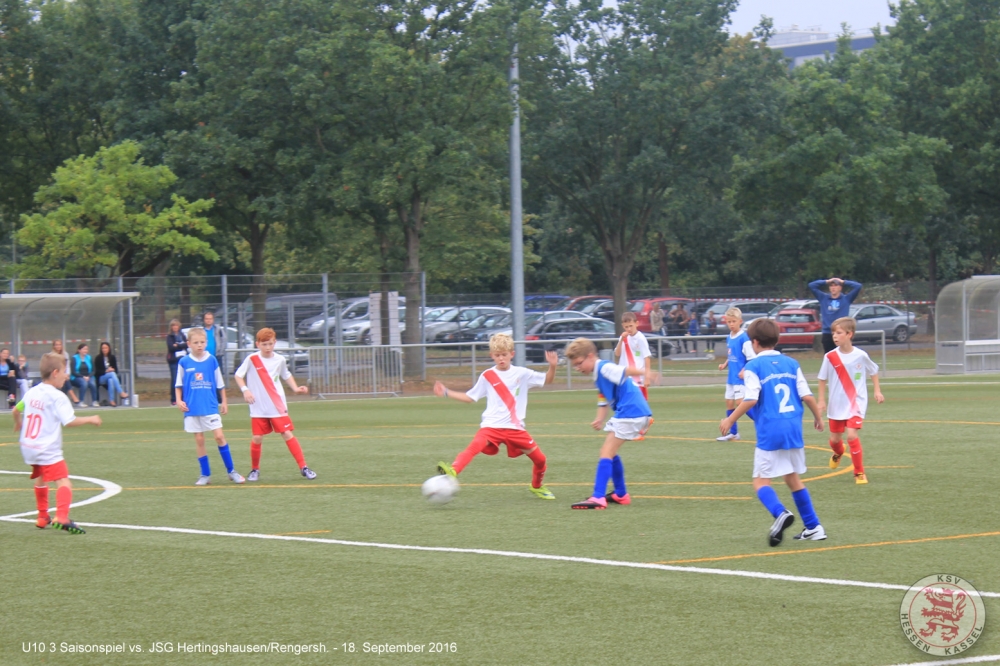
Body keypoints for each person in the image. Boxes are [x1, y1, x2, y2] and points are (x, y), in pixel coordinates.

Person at [720, 318, 827, 546]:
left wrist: (730, 419)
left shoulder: (754, 366)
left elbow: (751, 399)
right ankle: (814, 526)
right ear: (776, 340)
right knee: (792, 477)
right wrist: (818, 417)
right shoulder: (791, 363)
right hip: (793, 428)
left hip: (771, 429)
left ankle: (780, 513)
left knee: (760, 481)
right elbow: (807, 395)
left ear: (754, 342)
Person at [433, 334, 559, 499]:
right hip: (491, 426)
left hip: (515, 428)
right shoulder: (487, 376)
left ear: (512, 354)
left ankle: (537, 486)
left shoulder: (522, 373)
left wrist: (552, 366)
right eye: (497, 355)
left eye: (504, 355)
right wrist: (446, 392)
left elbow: (547, 380)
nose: (501, 358)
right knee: (474, 447)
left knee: (540, 460)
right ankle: (453, 470)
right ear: (491, 355)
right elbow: (470, 397)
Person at [13, 352, 102, 534]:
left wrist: (18, 423)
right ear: (55, 373)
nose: (66, 376)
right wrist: (90, 419)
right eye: (64, 372)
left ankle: (42, 516)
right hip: (46, 448)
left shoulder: (32, 391)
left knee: (41, 476)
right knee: (64, 482)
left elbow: (16, 409)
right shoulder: (58, 396)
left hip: (28, 446)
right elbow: (69, 421)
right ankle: (62, 516)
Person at [566, 337, 655, 509]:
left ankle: (598, 497)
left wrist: (645, 373)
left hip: (631, 412)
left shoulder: (604, 367)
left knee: (606, 452)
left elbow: (624, 370)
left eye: (579, 363)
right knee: (611, 452)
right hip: (631, 412)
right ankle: (620, 494)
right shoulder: (597, 374)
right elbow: (603, 400)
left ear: (590, 356)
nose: (577, 368)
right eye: (574, 365)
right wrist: (599, 418)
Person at [234, 327, 315, 481]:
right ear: (257, 344)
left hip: (277, 406)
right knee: (257, 437)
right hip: (258, 406)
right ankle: (255, 470)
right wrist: (245, 390)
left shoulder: (280, 359)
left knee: (287, 433)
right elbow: (238, 376)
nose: (268, 347)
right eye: (264, 344)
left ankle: (304, 467)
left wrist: (296, 388)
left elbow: (286, 374)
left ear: (275, 343)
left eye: (270, 344)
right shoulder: (252, 359)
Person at [817, 317, 884, 485]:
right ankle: (838, 452)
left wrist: (877, 391)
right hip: (836, 404)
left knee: (852, 436)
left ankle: (859, 472)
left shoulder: (860, 355)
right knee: (835, 440)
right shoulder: (830, 356)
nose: (835, 336)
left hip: (856, 403)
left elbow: (873, 370)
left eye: (839, 333)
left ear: (849, 334)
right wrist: (821, 400)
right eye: (833, 333)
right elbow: (822, 378)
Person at [176, 328, 245, 486]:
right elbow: (178, 384)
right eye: (196, 342)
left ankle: (232, 471)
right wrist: (179, 401)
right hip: (192, 408)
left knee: (219, 437)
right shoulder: (184, 362)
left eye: (202, 342)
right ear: (189, 344)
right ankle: (205, 474)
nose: (199, 345)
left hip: (210, 406)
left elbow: (220, 384)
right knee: (199, 439)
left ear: (206, 343)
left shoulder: (212, 360)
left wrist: (224, 402)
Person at [716, 307, 756, 441]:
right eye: (729, 322)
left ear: (740, 321)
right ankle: (733, 433)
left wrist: (744, 370)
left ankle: (761, 421)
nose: (731, 324)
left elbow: (751, 358)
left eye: (734, 321)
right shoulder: (729, 337)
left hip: (740, 377)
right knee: (729, 403)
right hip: (731, 377)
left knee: (740, 403)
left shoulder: (744, 338)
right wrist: (724, 364)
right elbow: (732, 355)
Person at [809, 277, 863, 353]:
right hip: (827, 332)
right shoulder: (823, 298)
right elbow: (812, 285)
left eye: (836, 285)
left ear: (840, 288)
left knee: (843, 355)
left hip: (841, 332)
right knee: (829, 356)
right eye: (831, 285)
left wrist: (844, 282)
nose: (833, 288)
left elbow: (858, 286)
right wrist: (826, 281)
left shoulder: (846, 299)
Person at [614, 312, 652, 400]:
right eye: (626, 327)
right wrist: (621, 340)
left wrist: (647, 377)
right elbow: (617, 354)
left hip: (638, 378)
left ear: (636, 323)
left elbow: (647, 358)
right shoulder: (623, 337)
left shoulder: (640, 338)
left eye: (631, 326)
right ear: (623, 326)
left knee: (640, 403)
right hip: (625, 377)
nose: (629, 329)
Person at [94, 342, 129, 407]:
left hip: (110, 377)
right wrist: (106, 371)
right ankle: (121, 392)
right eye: (103, 348)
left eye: (106, 348)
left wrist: (112, 369)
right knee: (112, 374)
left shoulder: (112, 357)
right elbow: (96, 371)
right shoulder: (98, 358)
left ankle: (112, 400)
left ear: (109, 349)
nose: (104, 349)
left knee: (111, 380)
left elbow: (116, 370)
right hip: (101, 378)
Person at [166, 319, 188, 406]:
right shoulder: (169, 337)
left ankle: (182, 398)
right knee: (175, 379)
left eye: (176, 325)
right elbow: (171, 347)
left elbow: (187, 344)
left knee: (183, 379)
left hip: (183, 358)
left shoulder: (182, 335)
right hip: (174, 360)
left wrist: (177, 345)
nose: (175, 327)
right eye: (173, 325)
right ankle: (174, 399)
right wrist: (180, 346)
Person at [70, 343, 99, 407]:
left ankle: (94, 401)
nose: (85, 351)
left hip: (88, 376)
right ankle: (81, 401)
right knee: (84, 383)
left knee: (93, 384)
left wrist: (89, 376)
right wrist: (83, 377)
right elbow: (73, 372)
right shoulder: (74, 358)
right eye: (84, 349)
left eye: (86, 349)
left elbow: (94, 370)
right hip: (77, 377)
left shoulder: (89, 357)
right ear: (79, 350)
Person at [201, 311, 227, 376]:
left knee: (218, 375)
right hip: (204, 357)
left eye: (210, 319)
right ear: (204, 320)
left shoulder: (218, 330)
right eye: (207, 319)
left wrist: (220, 352)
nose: (208, 320)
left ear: (213, 320)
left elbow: (223, 340)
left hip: (216, 357)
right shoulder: (201, 331)